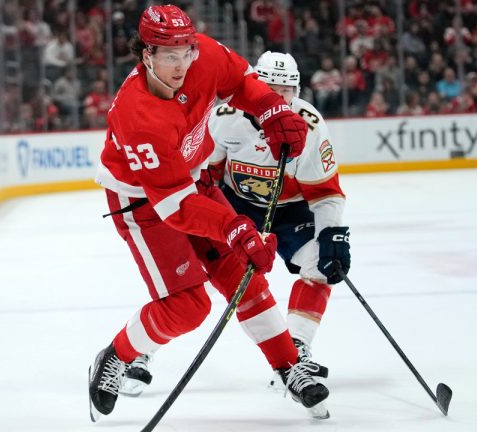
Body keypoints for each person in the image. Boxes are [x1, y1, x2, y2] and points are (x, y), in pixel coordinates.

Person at [88, 5, 329, 421]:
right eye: (169, 55)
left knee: (243, 274)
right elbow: (174, 206)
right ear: (146, 55)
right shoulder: (139, 116)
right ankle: (115, 356)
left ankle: (289, 365)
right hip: (142, 202)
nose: (182, 64)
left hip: (194, 181)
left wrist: (272, 109)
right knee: (188, 306)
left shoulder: (204, 55)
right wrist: (234, 226)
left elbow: (241, 81)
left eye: (187, 52)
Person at [208, 51, 351, 388]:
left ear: (297, 90)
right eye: (270, 87)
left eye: (286, 90)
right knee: (197, 266)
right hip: (236, 207)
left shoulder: (311, 125)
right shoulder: (225, 118)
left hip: (289, 212)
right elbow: (205, 176)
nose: (279, 97)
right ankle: (141, 353)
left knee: (321, 265)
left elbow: (325, 191)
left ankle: (296, 347)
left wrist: (332, 234)